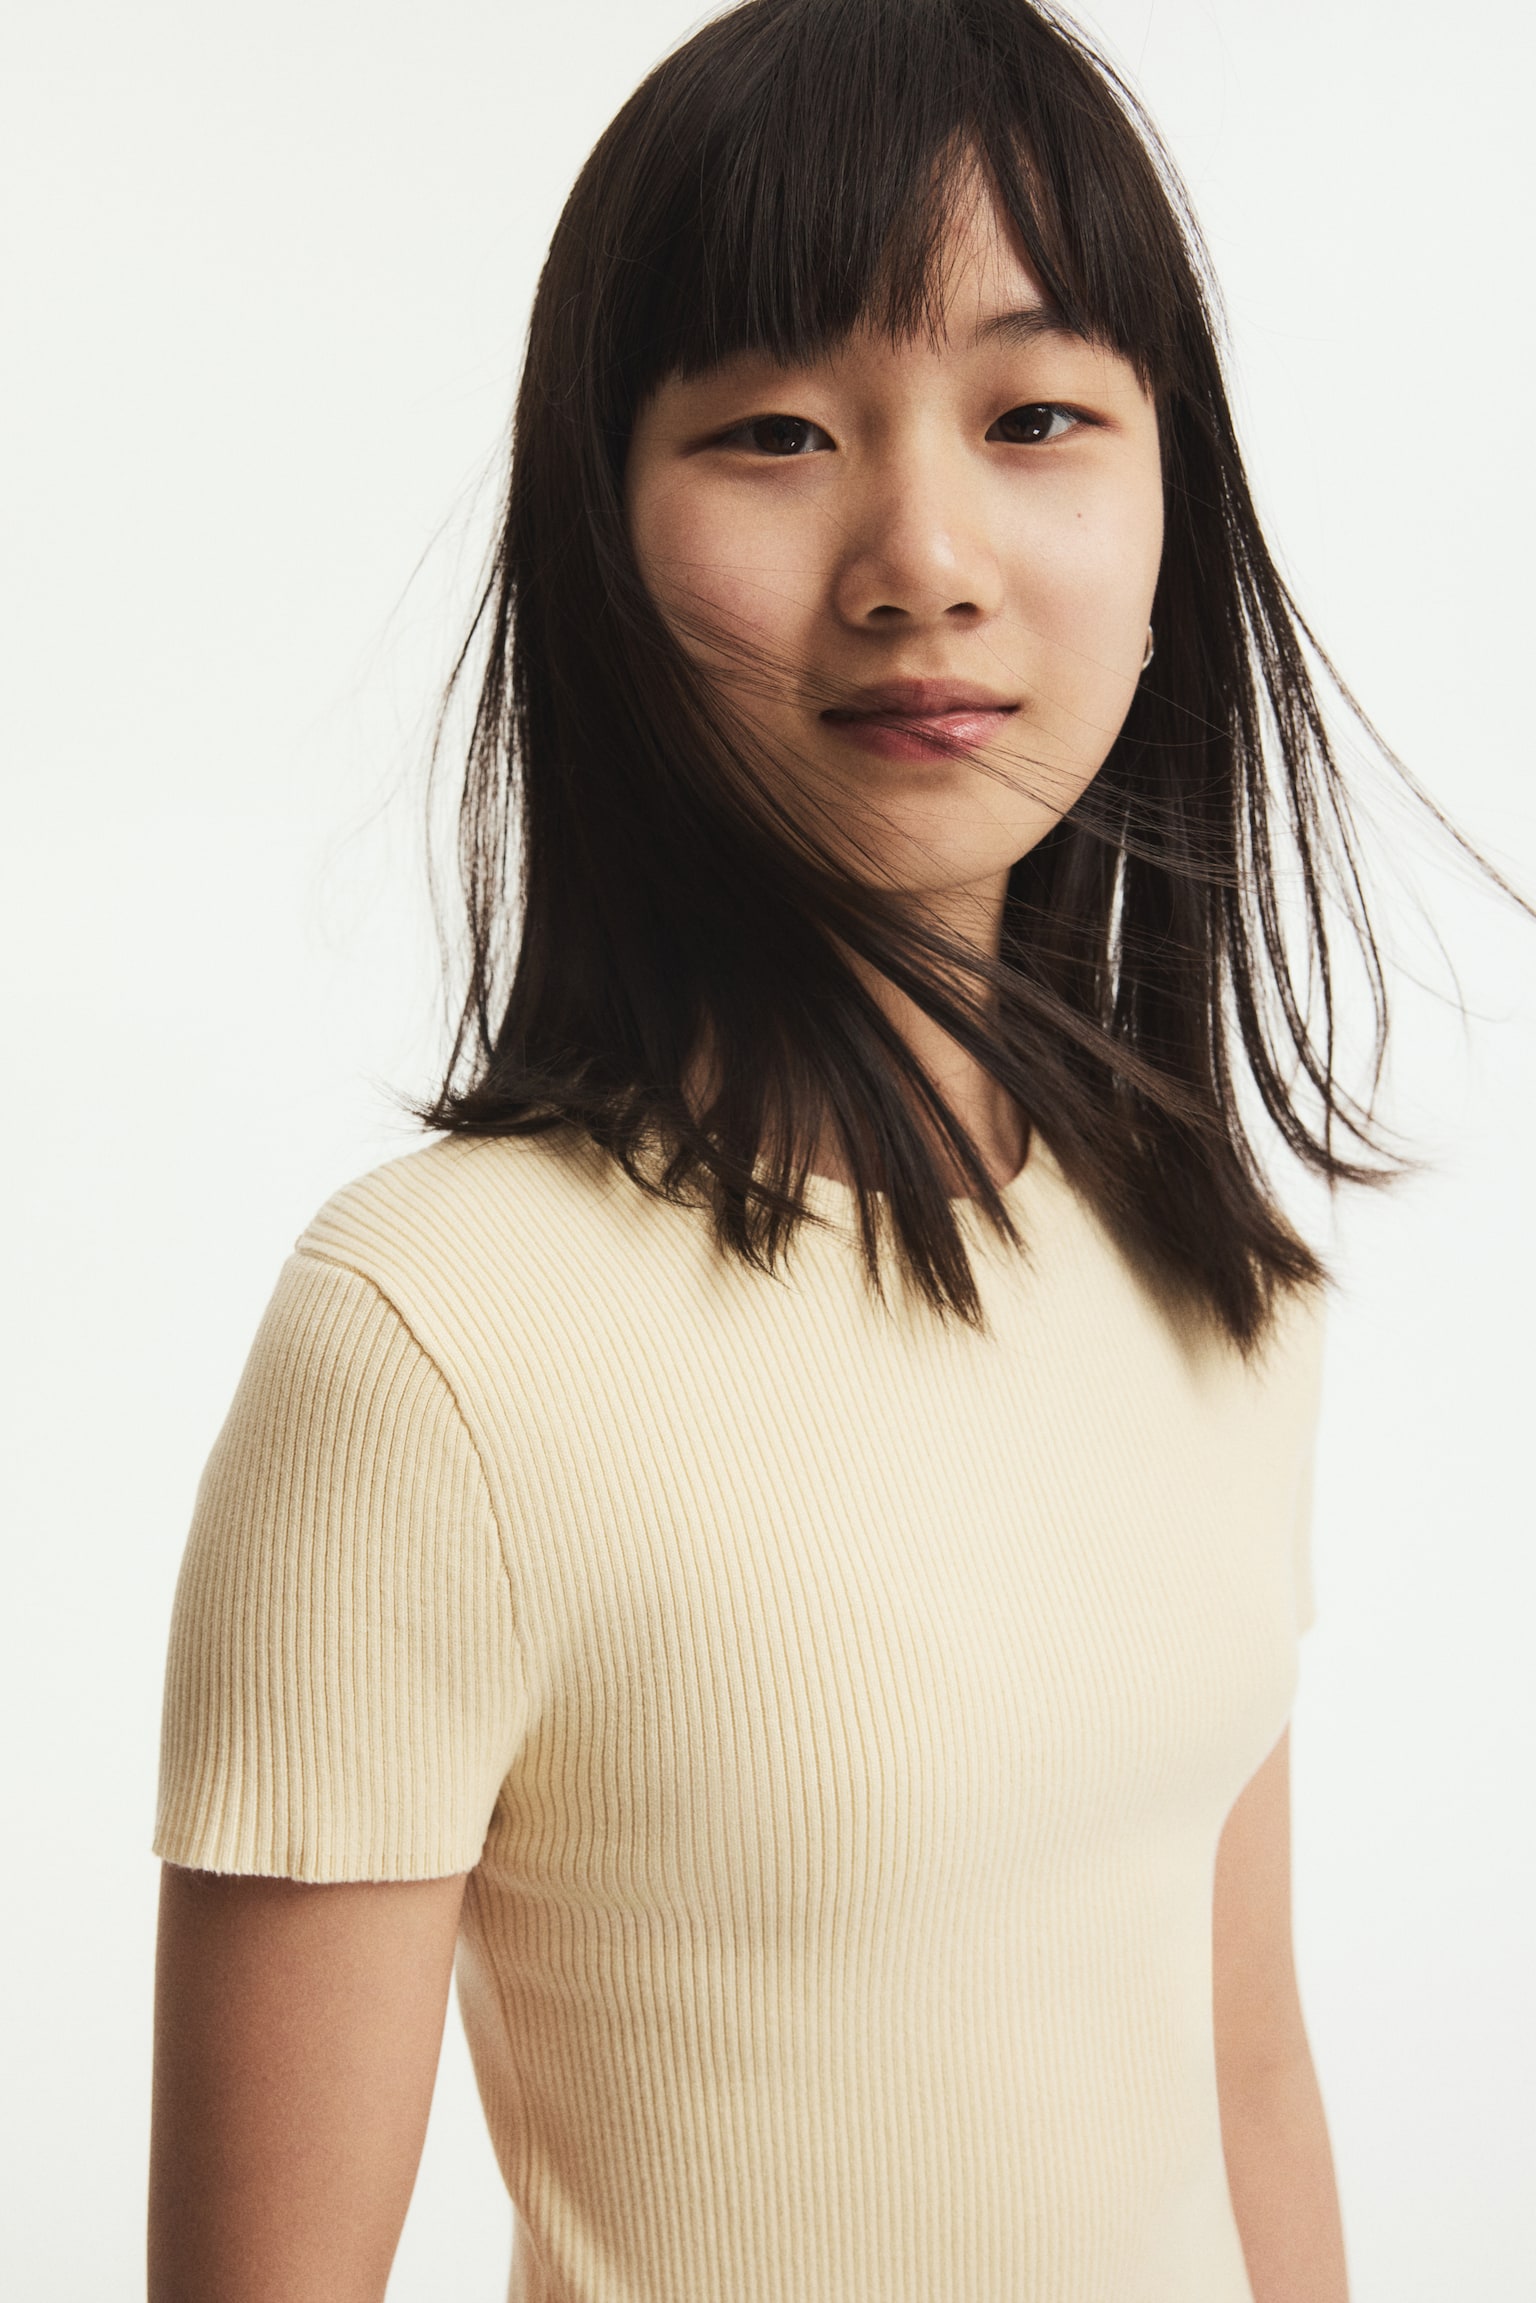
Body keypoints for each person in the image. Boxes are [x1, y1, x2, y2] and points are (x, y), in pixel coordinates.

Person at [146, 0, 1447, 2294]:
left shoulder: (1211, 1273)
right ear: (598, 536)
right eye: (773, 431)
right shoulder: (427, 1344)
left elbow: (1245, 2072)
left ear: (1176, 511)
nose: (919, 555)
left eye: (1034, 415)